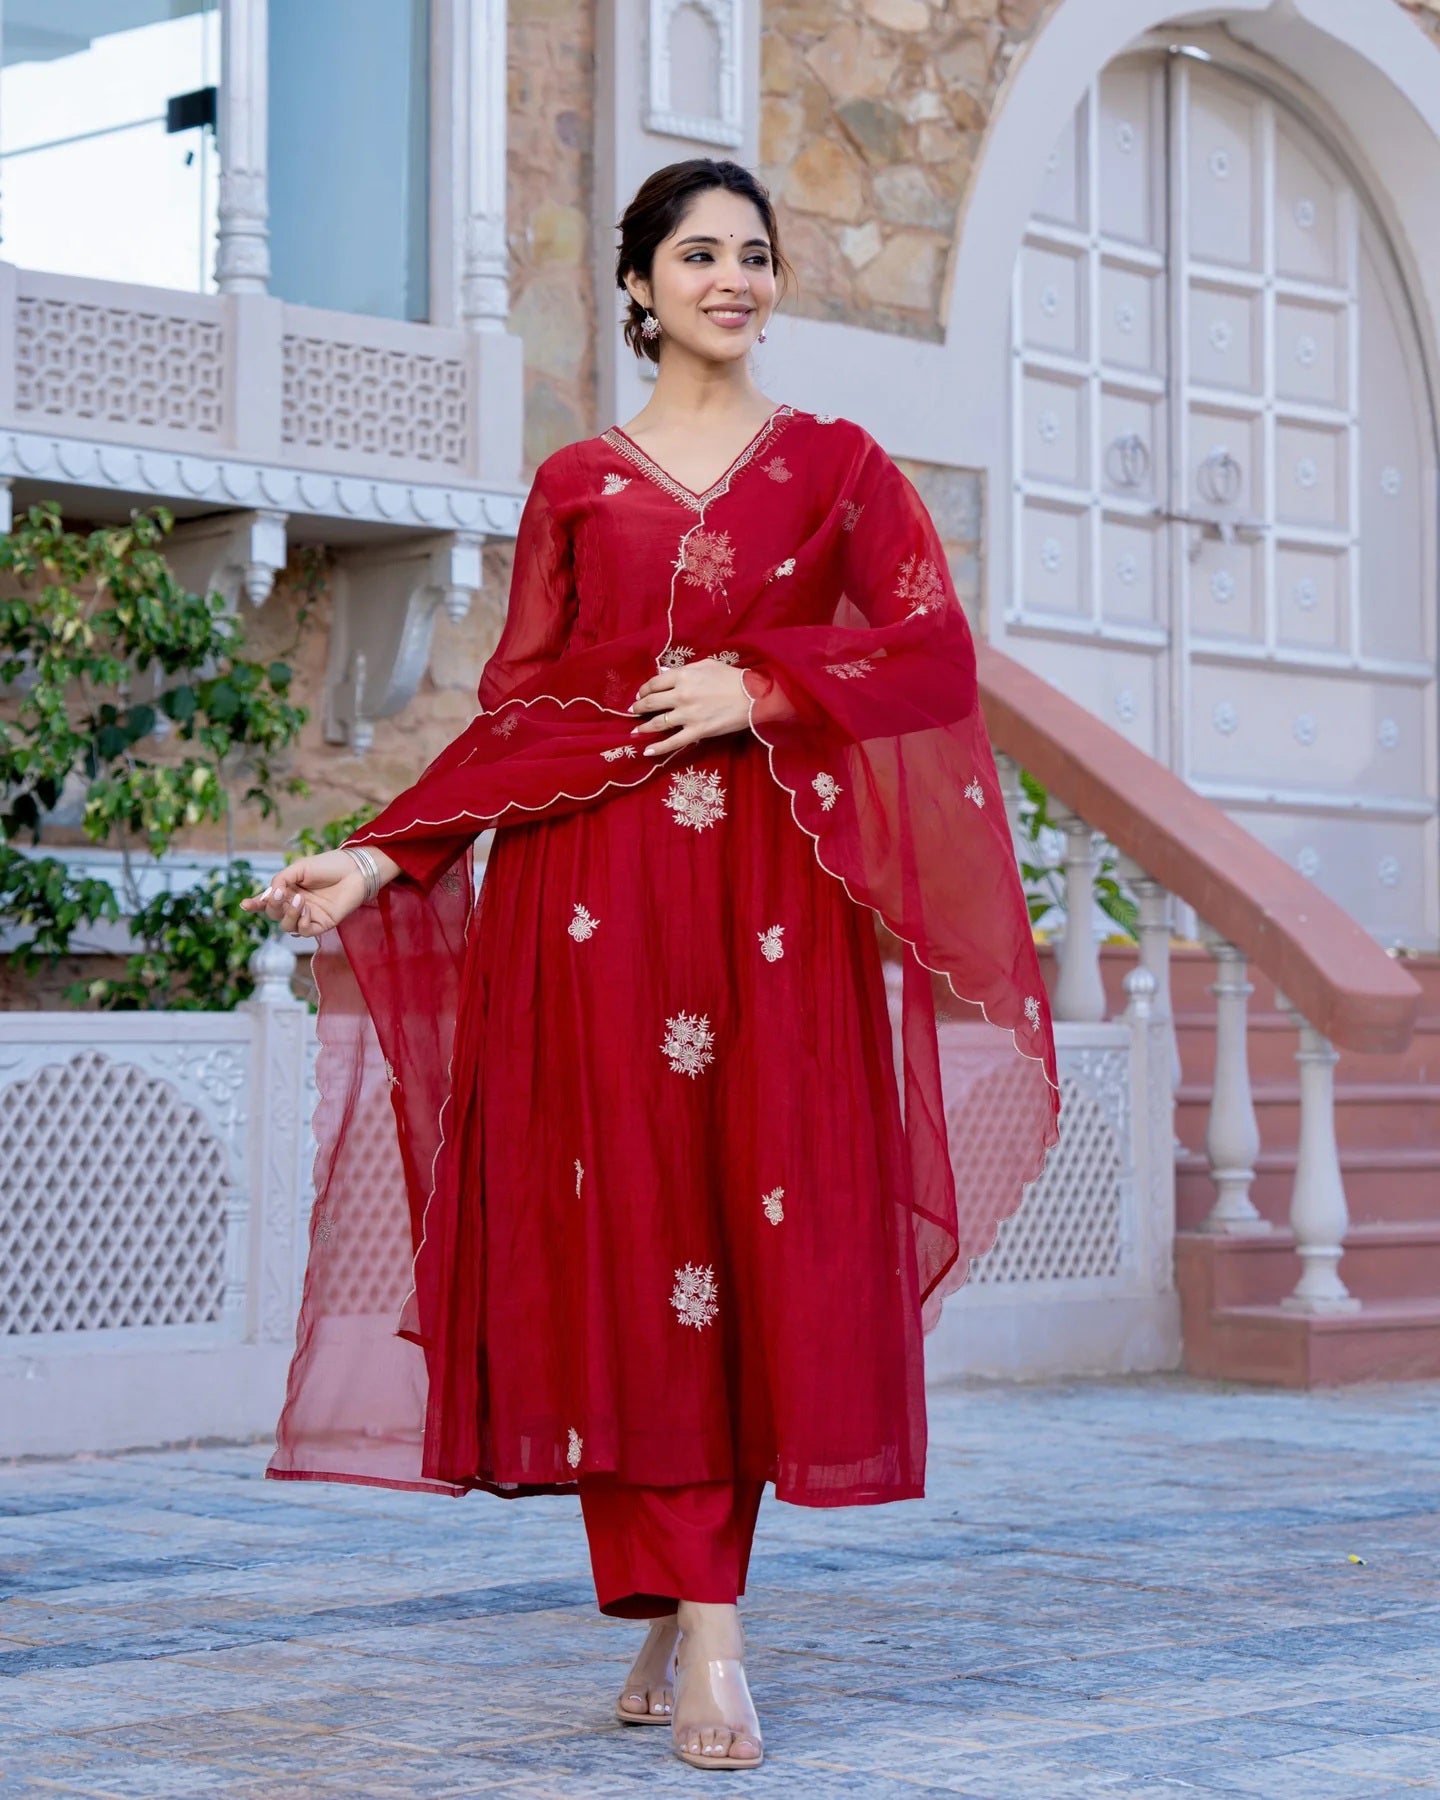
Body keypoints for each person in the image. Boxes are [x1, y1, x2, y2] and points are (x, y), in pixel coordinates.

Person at [246, 158, 1058, 1773]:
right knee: (626, 1241)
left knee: (747, 1239)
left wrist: (765, 686)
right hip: (592, 907)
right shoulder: (577, 486)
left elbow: (930, 653)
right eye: (699, 254)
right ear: (638, 285)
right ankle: (700, 1624)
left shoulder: (837, 468)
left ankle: (700, 1620)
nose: (733, 278)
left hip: (770, 909)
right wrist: (389, 852)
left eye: (756, 254)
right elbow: (524, 712)